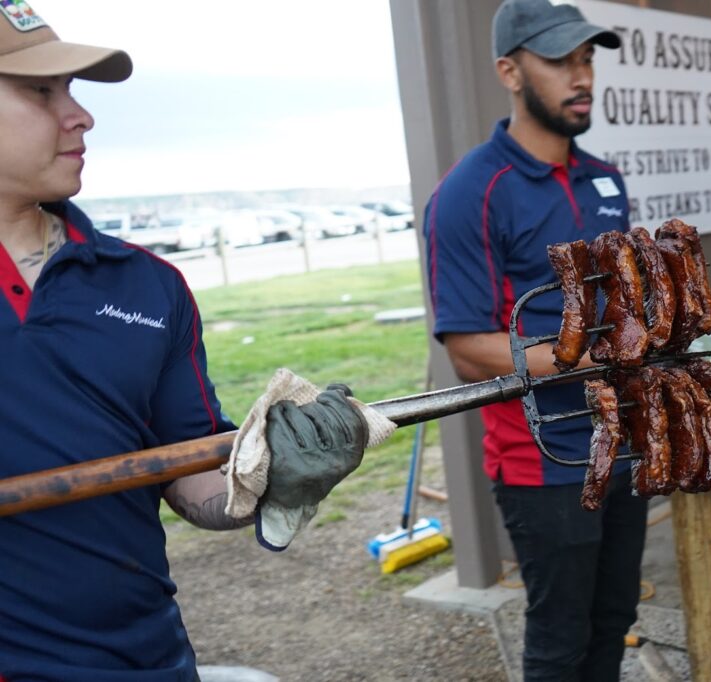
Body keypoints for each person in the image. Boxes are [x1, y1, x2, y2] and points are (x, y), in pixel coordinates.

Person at [0, 7, 371, 681]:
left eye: (74, 92)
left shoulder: (149, 285)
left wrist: (264, 477)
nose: (80, 116)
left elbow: (187, 470)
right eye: (42, 91)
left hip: (144, 660)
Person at [423, 0, 646, 679]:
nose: (580, 77)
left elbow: (620, 306)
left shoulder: (605, 179)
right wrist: (600, 356)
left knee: (614, 622)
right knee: (559, 640)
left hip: (622, 446)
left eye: (587, 59)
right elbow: (467, 348)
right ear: (510, 72)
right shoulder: (471, 192)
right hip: (540, 462)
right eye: (559, 61)